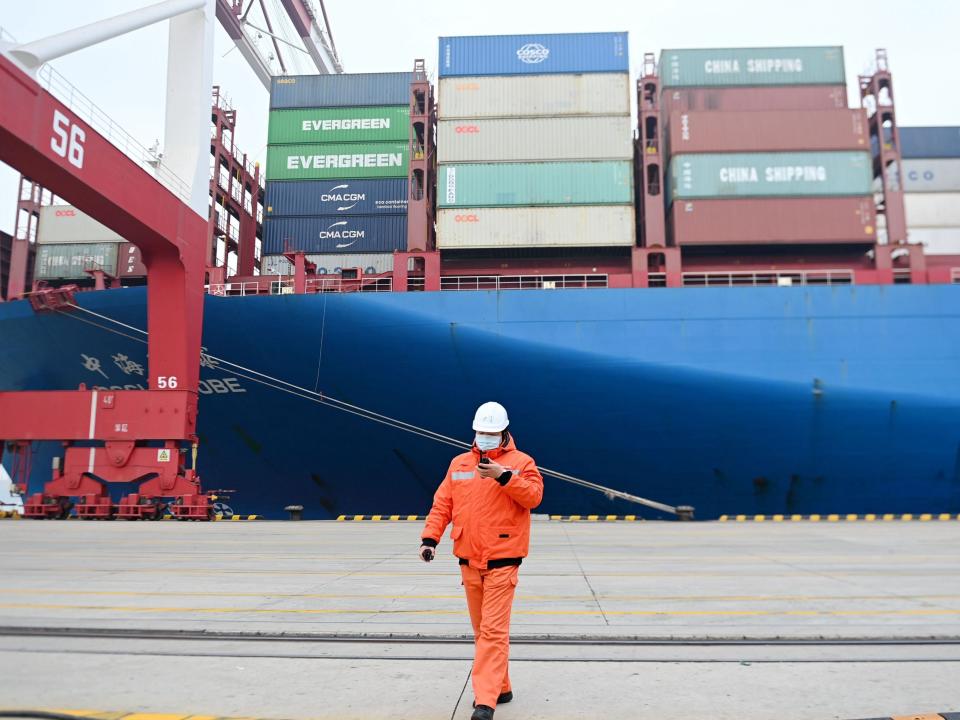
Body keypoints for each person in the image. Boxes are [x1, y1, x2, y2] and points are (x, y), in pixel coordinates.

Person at [419, 401, 544, 720]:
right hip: (468, 559)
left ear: (503, 432)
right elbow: (442, 504)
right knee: (482, 631)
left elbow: (533, 497)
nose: (484, 437)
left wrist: (504, 477)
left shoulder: (522, 462)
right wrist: (429, 539)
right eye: (480, 432)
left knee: (492, 632)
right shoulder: (459, 464)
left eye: (491, 433)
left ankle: (485, 701)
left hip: (504, 559)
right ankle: (501, 687)